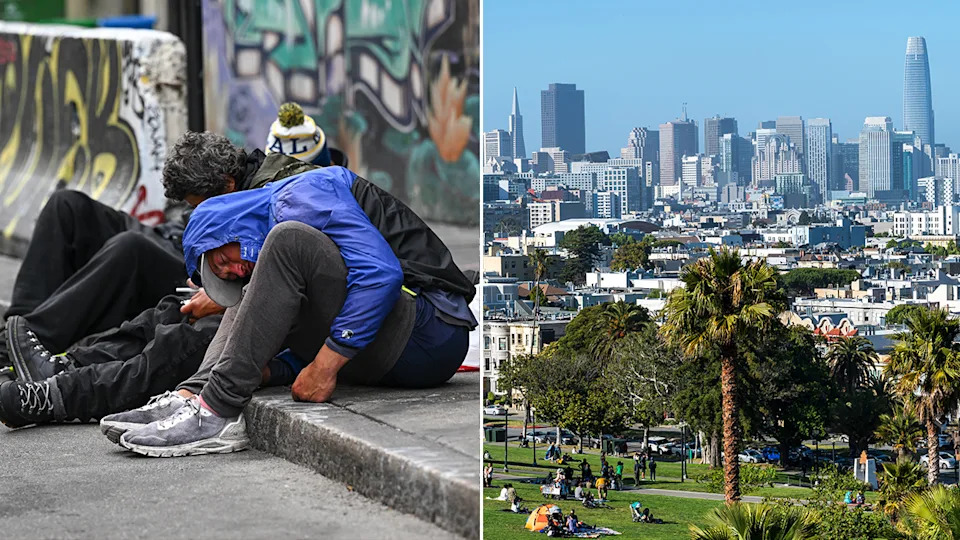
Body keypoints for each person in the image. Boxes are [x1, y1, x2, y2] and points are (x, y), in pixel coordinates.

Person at [105, 163, 477, 457]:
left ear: (228, 226)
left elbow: (380, 276)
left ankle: (217, 409)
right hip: (394, 352)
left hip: (432, 331)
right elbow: (319, 310)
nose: (233, 270)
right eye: (223, 275)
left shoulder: (300, 195)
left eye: (223, 260)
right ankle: (194, 396)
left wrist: (326, 364)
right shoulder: (267, 235)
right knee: (253, 281)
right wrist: (277, 370)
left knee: (286, 242)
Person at [0, 127, 340, 428]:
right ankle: (58, 367)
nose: (198, 212)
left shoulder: (287, 207)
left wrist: (230, 293)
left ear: (227, 185)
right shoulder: (248, 200)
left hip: (261, 316)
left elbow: (286, 281)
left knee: (175, 337)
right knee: (160, 314)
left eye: (200, 205)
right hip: (215, 276)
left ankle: (60, 393)